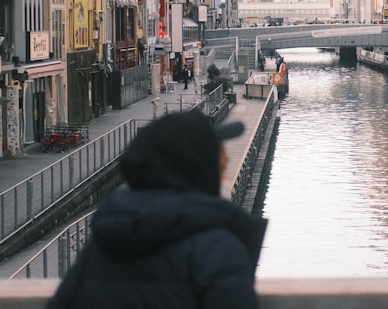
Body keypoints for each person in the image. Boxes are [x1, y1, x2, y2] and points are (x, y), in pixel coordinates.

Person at [48, 111, 267, 308]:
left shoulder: (101, 245)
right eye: (219, 164)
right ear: (200, 173)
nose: (226, 170)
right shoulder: (217, 248)